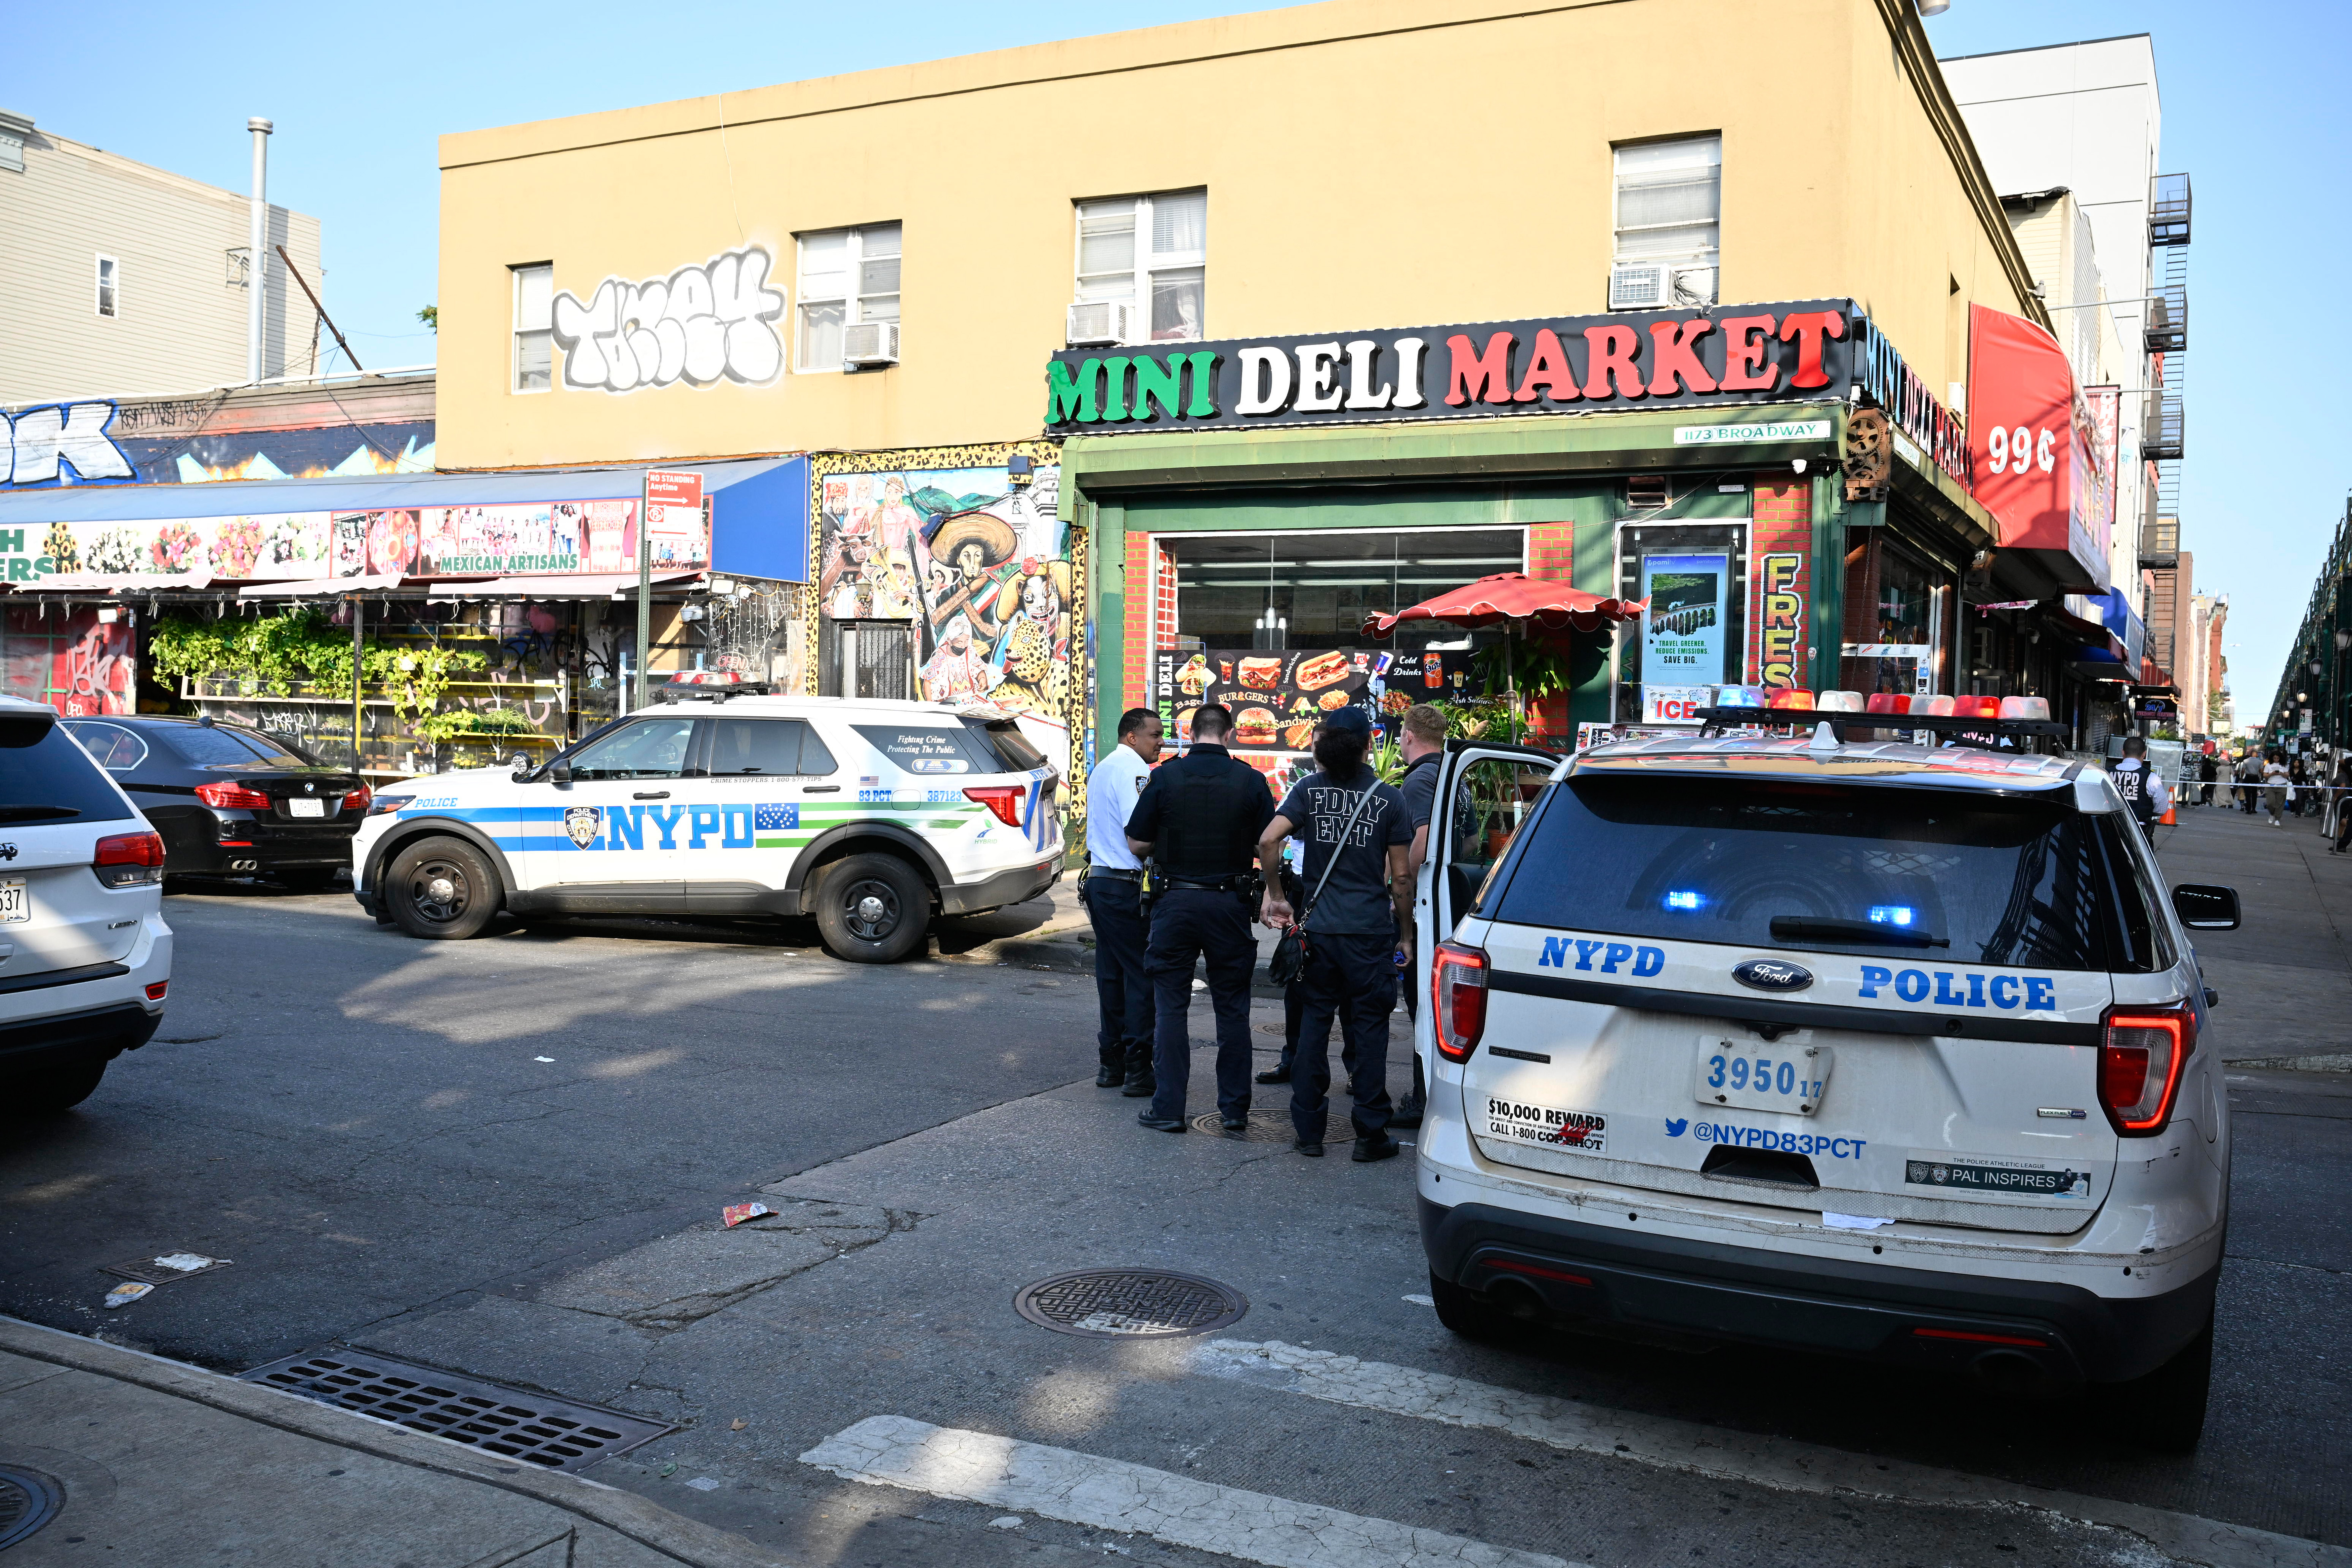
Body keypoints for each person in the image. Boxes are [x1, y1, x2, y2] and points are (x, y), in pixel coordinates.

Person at [1258, 706, 1413, 1163]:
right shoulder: (1390, 798)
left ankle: (1309, 1131)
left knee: (1312, 1031)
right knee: (1369, 1033)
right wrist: (1405, 934)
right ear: (1369, 744)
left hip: (1319, 933)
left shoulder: (1308, 790)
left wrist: (1276, 894)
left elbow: (1269, 840)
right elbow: (1401, 879)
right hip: (1368, 935)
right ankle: (1370, 1134)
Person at [1125, 704, 1275, 1135]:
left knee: (1170, 1007)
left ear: (1191, 733)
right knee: (1232, 1010)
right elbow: (1270, 842)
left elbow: (1136, 842)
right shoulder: (1250, 780)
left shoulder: (1165, 776)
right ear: (1228, 734)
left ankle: (1169, 1108)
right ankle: (1234, 1111)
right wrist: (1271, 892)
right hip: (1229, 903)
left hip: (1175, 903)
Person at [1083, 708, 1162, 1097]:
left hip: (1100, 882)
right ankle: (1136, 1067)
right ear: (1132, 736)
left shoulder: (1103, 767)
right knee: (1139, 975)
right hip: (1124, 884)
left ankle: (1110, 1063)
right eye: (1154, 734)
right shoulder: (1134, 770)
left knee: (1112, 975)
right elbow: (1140, 832)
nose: (1160, 741)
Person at [1389, 703, 1451, 1128]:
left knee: (1421, 1004)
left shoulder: (1418, 779)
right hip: (1449, 906)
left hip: (1424, 913)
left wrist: (1402, 903)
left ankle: (1421, 1098)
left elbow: (1422, 844)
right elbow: (1463, 841)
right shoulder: (1452, 776)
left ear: (1408, 735)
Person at [2111, 735, 2170, 841]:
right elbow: (2162, 808)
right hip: (2139, 834)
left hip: (2109, 830)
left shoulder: (2107, 774)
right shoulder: (2151, 778)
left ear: (2123, 752)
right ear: (2144, 754)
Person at [2263, 752, 2291, 827]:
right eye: (2275, 758)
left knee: (2280, 804)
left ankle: (2278, 819)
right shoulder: (2268, 765)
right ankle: (2272, 814)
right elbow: (2265, 776)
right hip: (2271, 786)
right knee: (2270, 803)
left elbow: (2287, 775)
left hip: (2282, 785)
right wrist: (2272, 774)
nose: (2276, 760)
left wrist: (2282, 774)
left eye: (2278, 758)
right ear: (2272, 758)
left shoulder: (2284, 765)